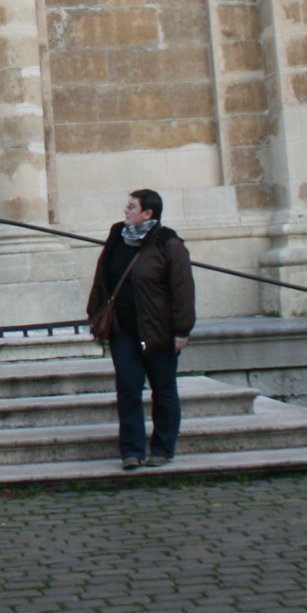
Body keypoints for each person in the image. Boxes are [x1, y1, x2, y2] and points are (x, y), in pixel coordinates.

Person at [86, 188, 196, 469]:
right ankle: (131, 451)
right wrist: (95, 314)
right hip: (124, 330)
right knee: (128, 388)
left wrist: (182, 330)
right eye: (127, 206)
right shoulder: (117, 236)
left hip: (158, 331)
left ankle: (162, 448)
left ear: (148, 213)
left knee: (164, 390)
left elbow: (182, 290)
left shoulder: (168, 243)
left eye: (131, 207)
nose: (126, 211)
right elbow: (102, 275)